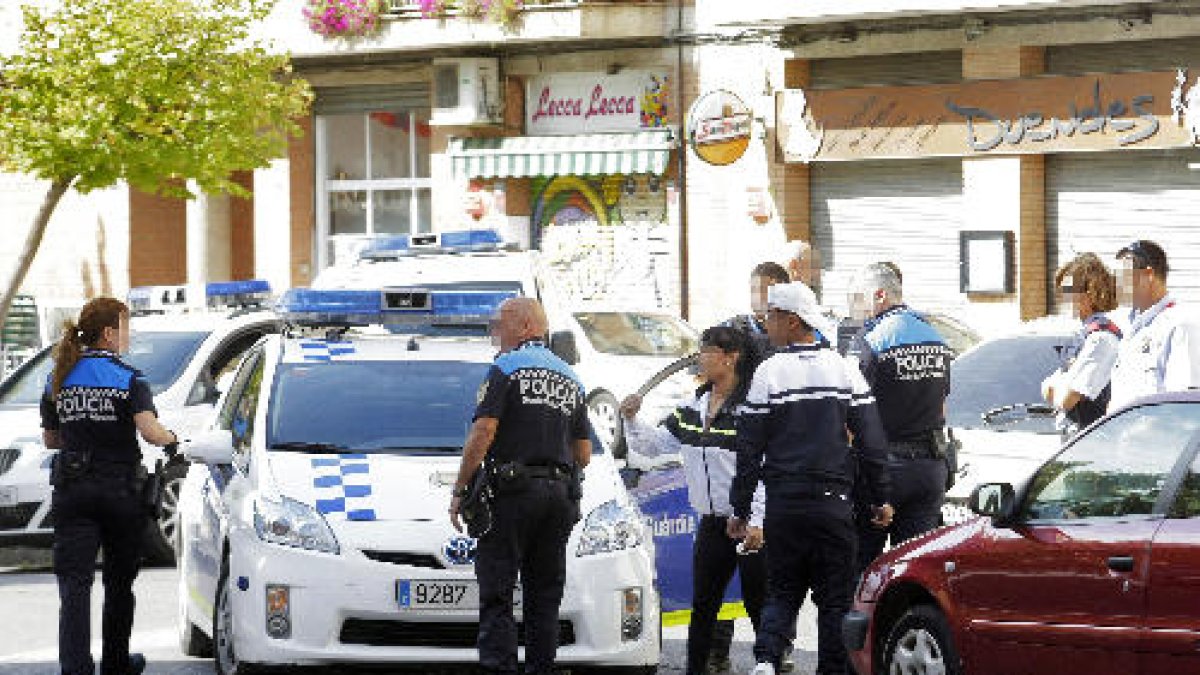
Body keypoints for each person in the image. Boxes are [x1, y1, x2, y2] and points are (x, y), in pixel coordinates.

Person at [728, 282, 893, 675]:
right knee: (835, 600)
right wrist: (880, 498)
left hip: (784, 505)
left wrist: (741, 508)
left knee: (782, 590)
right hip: (833, 505)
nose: (766, 324)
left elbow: (749, 451)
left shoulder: (769, 372)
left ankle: (767, 660)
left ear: (792, 320)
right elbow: (872, 442)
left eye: (771, 316)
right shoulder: (844, 369)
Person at [449, 297, 592, 675]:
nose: (496, 332)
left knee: (497, 592)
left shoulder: (505, 368)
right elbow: (584, 452)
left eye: (502, 323)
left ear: (527, 325)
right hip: (559, 497)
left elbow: (484, 431)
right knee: (544, 596)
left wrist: (461, 488)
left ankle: (500, 668)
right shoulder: (571, 377)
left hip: (512, 494)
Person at [40, 297, 179, 675]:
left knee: (74, 585)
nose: (127, 337)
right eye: (125, 328)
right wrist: (173, 439)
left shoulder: (58, 377)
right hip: (119, 492)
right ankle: (116, 663)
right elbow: (151, 433)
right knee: (118, 583)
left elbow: (51, 440)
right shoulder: (129, 378)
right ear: (108, 333)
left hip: (72, 490)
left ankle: (76, 668)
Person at [620, 326, 768, 675]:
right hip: (712, 523)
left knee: (759, 606)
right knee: (703, 606)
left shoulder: (751, 408)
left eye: (708, 349)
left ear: (731, 358)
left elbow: (764, 468)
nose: (700, 356)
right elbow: (653, 445)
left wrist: (758, 520)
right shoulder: (694, 405)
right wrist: (631, 417)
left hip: (750, 523)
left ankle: (772, 665)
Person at [845, 263, 953, 577]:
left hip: (883, 472)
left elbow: (851, 413)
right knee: (914, 572)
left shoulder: (871, 341)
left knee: (860, 569)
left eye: (857, 298)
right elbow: (942, 406)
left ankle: (857, 627)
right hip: (930, 469)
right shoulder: (935, 337)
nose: (854, 307)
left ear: (880, 295)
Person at [1108, 239, 1200, 411]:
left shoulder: (1178, 326)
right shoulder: (1131, 326)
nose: (1116, 285)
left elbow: (1181, 404)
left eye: (1122, 277)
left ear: (1148, 275)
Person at [1041, 253, 1122, 436]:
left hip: (1091, 442)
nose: (1062, 298)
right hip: (1076, 438)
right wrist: (1056, 386)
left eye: (1068, 291)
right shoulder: (1085, 334)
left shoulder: (1101, 338)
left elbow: (1066, 399)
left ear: (1089, 294)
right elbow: (1046, 387)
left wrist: (1057, 386)